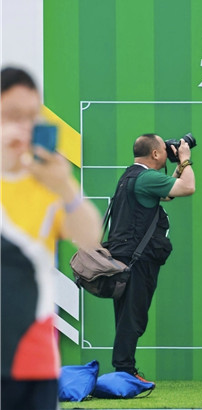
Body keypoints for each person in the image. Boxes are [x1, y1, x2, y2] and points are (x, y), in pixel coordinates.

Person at [1, 66, 102, 409]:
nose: (23, 126)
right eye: (12, 115)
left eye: (31, 116)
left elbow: (90, 237)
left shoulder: (48, 184)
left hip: (35, 362)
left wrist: (65, 187)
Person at [105, 133, 196, 381]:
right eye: (164, 150)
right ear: (155, 154)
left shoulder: (131, 175)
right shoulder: (145, 178)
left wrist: (178, 167)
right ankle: (125, 371)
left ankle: (125, 369)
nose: (168, 152)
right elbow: (188, 187)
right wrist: (185, 159)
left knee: (128, 315)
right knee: (132, 316)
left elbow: (167, 192)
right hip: (137, 259)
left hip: (124, 257)